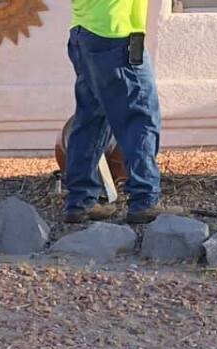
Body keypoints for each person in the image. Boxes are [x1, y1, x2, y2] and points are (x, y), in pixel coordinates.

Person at [64, 0, 163, 224]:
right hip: (115, 34)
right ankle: (145, 198)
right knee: (140, 118)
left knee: (92, 118)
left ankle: (80, 200)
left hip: (83, 32)